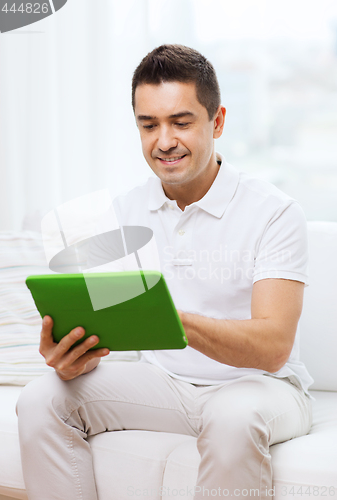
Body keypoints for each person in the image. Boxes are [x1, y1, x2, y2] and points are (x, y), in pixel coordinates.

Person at [16, 44, 313, 500]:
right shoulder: (126, 209)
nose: (164, 141)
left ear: (217, 121)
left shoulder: (274, 212)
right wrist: (78, 351)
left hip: (261, 387)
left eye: (181, 121)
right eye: (148, 124)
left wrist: (171, 321)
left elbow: (273, 349)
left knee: (233, 418)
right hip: (165, 384)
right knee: (41, 400)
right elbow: (111, 324)